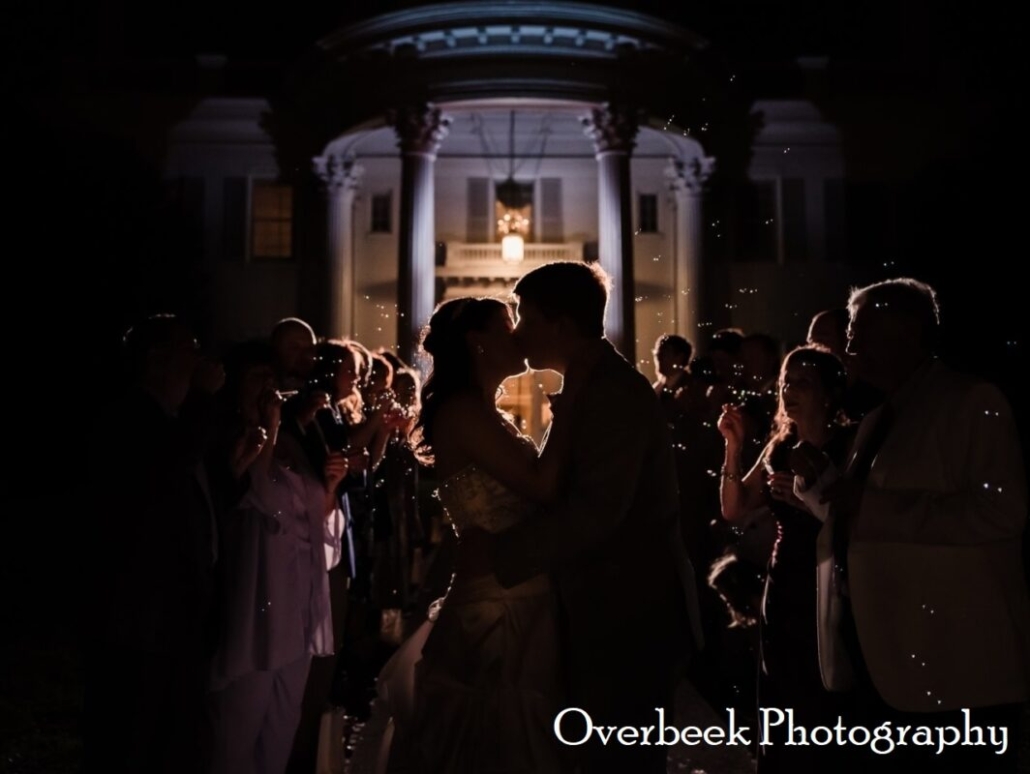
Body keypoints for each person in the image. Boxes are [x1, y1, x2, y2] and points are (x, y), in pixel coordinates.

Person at [485, 261, 702, 774]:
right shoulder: (594, 383)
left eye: (525, 317)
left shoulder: (611, 393)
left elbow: (597, 512)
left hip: (627, 614)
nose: (517, 332)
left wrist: (501, 557)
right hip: (609, 609)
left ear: (560, 325)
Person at [826, 278, 1029, 773]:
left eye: (861, 329)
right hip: (890, 660)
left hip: (955, 667)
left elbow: (1000, 512)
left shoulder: (971, 401)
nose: (849, 342)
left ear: (907, 333)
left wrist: (870, 506)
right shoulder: (877, 418)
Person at [375, 296, 574, 774]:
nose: (517, 336)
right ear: (476, 342)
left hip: (516, 585)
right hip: (496, 599)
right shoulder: (462, 413)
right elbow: (541, 486)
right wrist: (569, 415)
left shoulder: (486, 411)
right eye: (506, 327)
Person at [207, 341, 347, 774]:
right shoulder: (230, 441)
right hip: (257, 600)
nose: (269, 385)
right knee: (239, 726)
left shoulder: (291, 443)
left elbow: (315, 519)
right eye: (257, 378)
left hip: (298, 602)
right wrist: (267, 427)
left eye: (272, 377)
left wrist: (330, 488)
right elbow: (259, 498)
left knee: (282, 723)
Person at [718, 345, 854, 772]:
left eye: (803, 383)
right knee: (782, 694)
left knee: (822, 695)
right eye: (786, 382)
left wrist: (805, 503)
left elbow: (855, 519)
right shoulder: (781, 446)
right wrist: (733, 447)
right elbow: (735, 508)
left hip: (831, 579)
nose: (789, 391)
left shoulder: (849, 445)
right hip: (785, 583)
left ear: (829, 394)